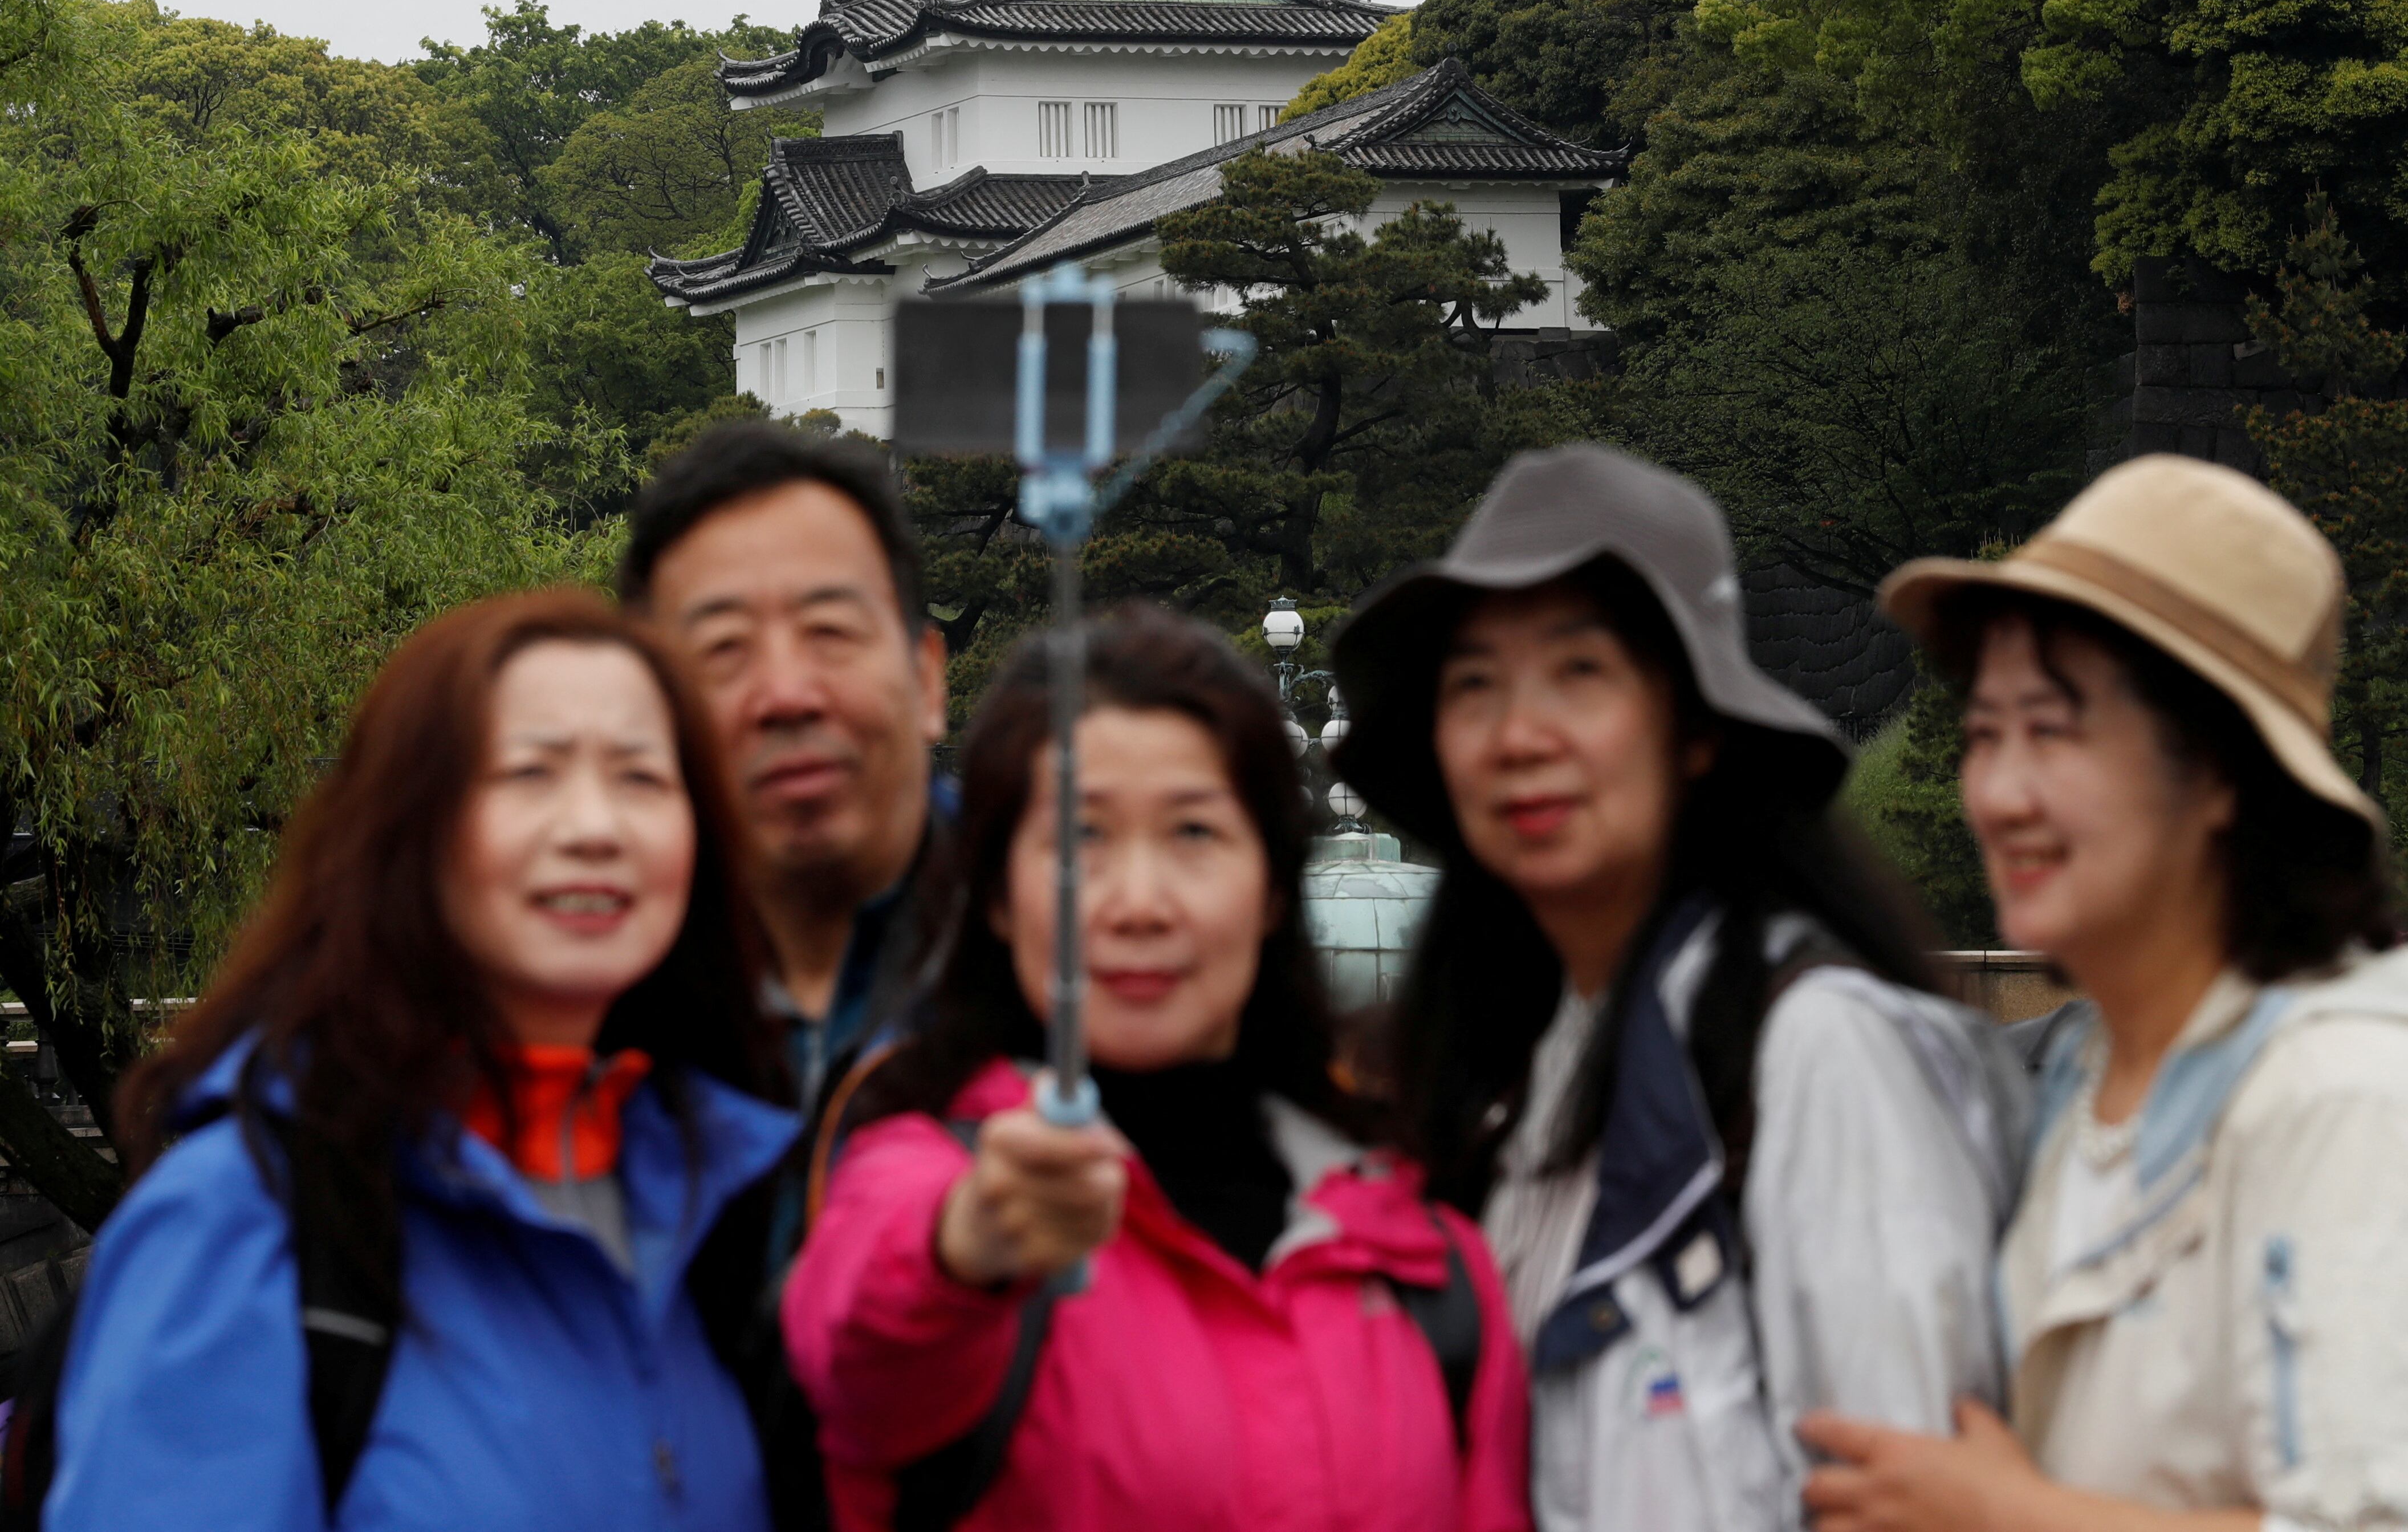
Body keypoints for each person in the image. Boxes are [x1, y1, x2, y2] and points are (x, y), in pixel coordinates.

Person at [1797, 453, 2408, 1531]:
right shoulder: (2091, 1084)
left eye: (2053, 729)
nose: (2001, 792)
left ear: (2219, 774)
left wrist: (2004, 1513)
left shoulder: (2359, 1099)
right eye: (1984, 733)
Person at [1332, 445, 2028, 1532]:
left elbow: (1910, 1481)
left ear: (1696, 729)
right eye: (1475, 685)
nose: (1520, 736)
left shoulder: (1814, 1050)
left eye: (1581, 673)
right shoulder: (1515, 1066)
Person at [46, 590, 796, 1530]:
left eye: (644, 778)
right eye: (531, 773)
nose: (596, 827)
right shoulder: (243, 1226)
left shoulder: (722, 1205)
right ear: (411, 831)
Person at [782, 606, 1531, 1530]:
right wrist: (966, 1249)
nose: (1139, 904)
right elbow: (861, 1341)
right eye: (1081, 840)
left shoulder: (1421, 1253)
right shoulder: (936, 1185)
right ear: (1000, 898)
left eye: (1194, 834)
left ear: (1270, 890)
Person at [619, 419, 950, 1116]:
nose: (787, 695)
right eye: (723, 648)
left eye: (829, 631)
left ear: (927, 680)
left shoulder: (1076, 947)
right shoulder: (579, 998)